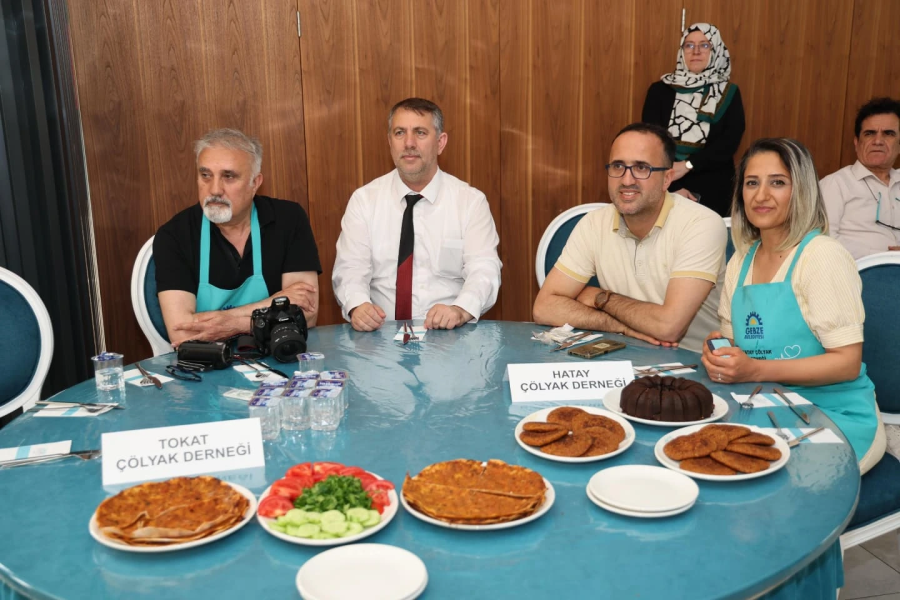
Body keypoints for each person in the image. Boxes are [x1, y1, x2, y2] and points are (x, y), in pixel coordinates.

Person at [702, 137, 885, 472]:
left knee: (770, 481)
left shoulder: (822, 256)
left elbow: (846, 363)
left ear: (801, 191)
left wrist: (755, 369)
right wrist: (721, 353)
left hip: (834, 412)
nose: (761, 195)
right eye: (752, 183)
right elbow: (734, 340)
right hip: (765, 402)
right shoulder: (741, 260)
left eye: (778, 183)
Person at [532, 122, 726, 353]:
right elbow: (544, 308)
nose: (626, 180)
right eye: (618, 166)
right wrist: (619, 326)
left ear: (667, 178)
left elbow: (668, 327)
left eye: (642, 168)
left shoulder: (701, 224)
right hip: (623, 355)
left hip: (696, 365)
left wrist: (601, 298)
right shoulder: (594, 223)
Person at [332, 97, 501, 332]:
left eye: (420, 133)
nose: (409, 143)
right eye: (400, 133)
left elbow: (484, 269)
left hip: (449, 336)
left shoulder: (470, 202)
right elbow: (350, 269)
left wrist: (460, 310)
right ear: (390, 141)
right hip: (380, 336)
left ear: (441, 143)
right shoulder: (364, 201)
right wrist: (358, 306)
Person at [154, 128, 322, 347]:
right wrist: (273, 308)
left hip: (277, 357)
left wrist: (229, 322)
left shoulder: (288, 220)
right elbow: (182, 333)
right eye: (205, 175)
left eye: (228, 176)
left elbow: (306, 314)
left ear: (255, 183)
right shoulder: (174, 235)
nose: (214, 189)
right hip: (207, 364)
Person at [641, 23, 745, 217]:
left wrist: (688, 165)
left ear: (717, 50)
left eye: (704, 45)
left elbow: (729, 142)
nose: (696, 51)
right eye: (689, 45)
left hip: (714, 187)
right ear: (682, 51)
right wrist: (673, 186)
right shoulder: (660, 91)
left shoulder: (729, 93)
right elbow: (652, 141)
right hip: (666, 183)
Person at [820, 97, 900, 259]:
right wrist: (880, 256)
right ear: (857, 143)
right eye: (869, 134)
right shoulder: (835, 184)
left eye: (888, 134)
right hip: (857, 274)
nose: (878, 141)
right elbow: (821, 241)